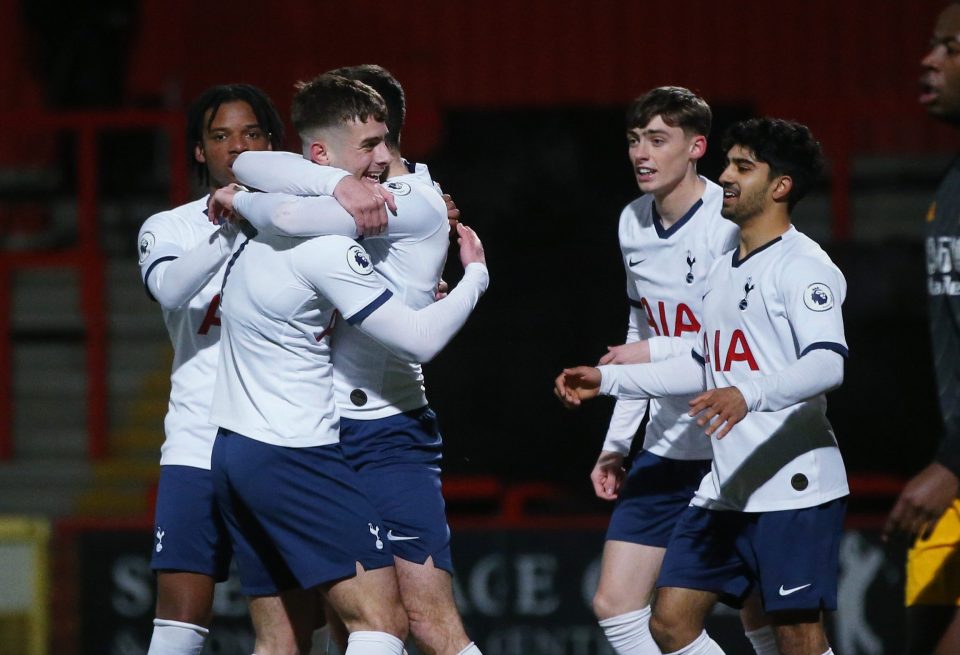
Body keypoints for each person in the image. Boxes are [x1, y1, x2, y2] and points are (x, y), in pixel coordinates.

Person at [206, 74, 490, 655]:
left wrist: (476, 276)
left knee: (424, 624)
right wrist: (330, 182)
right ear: (322, 153)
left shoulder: (406, 201)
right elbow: (258, 169)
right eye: (369, 144)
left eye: (386, 140)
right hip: (314, 435)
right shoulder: (340, 192)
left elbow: (284, 214)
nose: (383, 157)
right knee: (339, 627)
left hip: (385, 430)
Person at [556, 117, 848, 655]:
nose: (726, 177)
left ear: (781, 186)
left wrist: (747, 393)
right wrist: (612, 379)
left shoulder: (805, 266)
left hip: (793, 484)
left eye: (743, 167)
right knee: (670, 623)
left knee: (797, 636)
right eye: (728, 163)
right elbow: (700, 359)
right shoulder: (722, 268)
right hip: (727, 484)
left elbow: (828, 364)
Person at [136, 83, 394, 655]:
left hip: (284, 442)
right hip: (198, 441)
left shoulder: (302, 224)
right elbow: (173, 289)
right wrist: (234, 224)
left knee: (297, 629)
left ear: (272, 145)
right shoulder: (168, 228)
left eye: (251, 134)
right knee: (181, 615)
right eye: (220, 136)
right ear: (199, 150)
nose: (236, 147)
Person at [578, 86, 763, 655]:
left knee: (768, 616)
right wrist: (617, 444)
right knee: (615, 605)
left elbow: (732, 349)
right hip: (667, 444)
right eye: (635, 140)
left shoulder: (728, 222)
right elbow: (639, 333)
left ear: (696, 147)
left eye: (658, 140)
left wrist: (647, 356)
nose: (642, 154)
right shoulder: (632, 221)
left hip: (734, 441)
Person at [883, 3, 960, 653]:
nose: (928, 59)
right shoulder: (952, 184)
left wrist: (952, 462)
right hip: (954, 469)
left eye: (951, 48)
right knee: (920, 634)